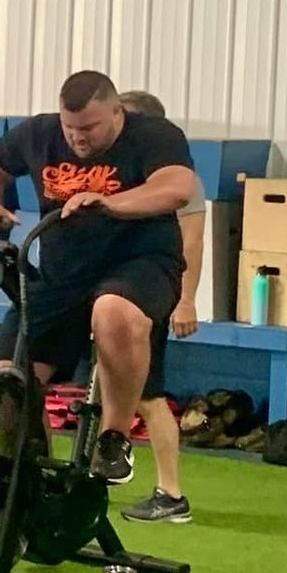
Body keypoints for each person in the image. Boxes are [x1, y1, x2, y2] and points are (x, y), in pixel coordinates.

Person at [0, 70, 195, 486]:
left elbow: (177, 187)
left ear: (116, 112)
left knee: (113, 311)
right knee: (7, 376)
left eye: (89, 127)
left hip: (139, 266)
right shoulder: (41, 133)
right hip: (62, 276)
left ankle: (113, 438)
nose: (77, 138)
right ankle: (34, 480)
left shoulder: (154, 135)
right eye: (70, 128)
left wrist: (111, 203)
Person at [113, 90, 203, 523]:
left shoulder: (179, 178)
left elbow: (192, 242)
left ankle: (171, 495)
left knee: (149, 397)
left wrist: (185, 301)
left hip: (151, 298)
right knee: (109, 388)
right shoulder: (126, 172)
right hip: (118, 296)